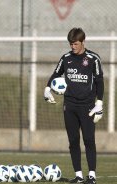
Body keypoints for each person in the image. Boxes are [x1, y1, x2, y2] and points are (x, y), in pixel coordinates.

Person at [44, 28, 104, 184]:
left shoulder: (93, 59)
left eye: (75, 44)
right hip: (69, 105)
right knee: (73, 140)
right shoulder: (66, 58)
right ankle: (78, 176)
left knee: (89, 140)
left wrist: (99, 103)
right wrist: (47, 89)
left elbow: (99, 81)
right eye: (71, 44)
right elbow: (56, 74)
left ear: (83, 42)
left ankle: (91, 176)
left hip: (88, 106)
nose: (73, 47)